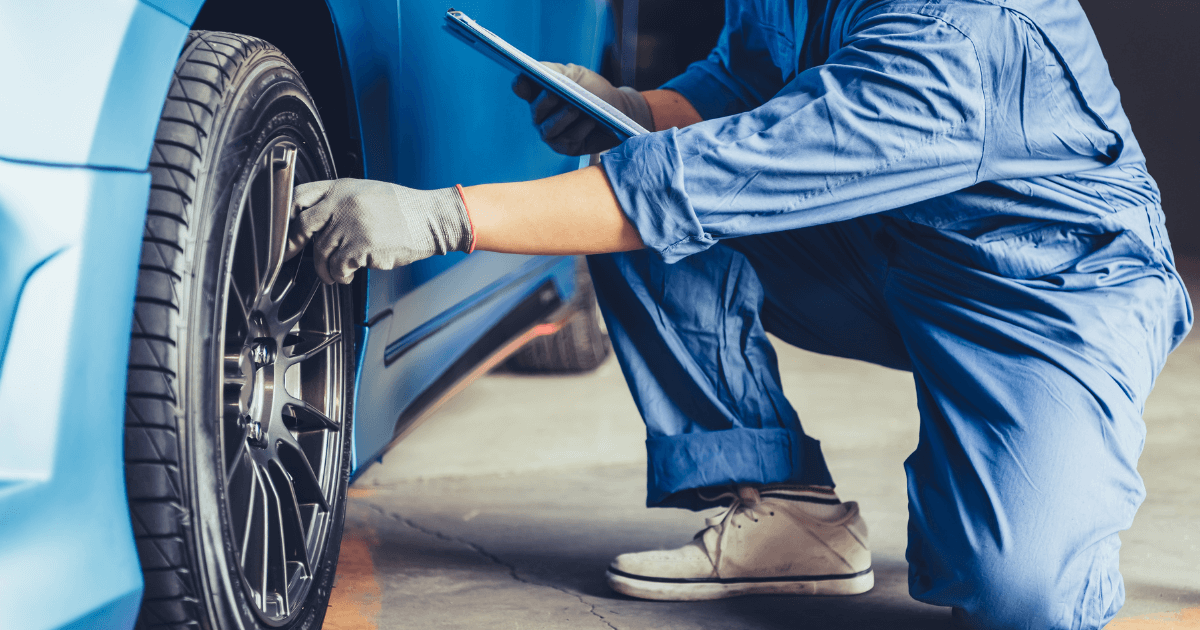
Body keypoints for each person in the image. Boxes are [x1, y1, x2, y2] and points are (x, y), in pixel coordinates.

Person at [285, 0, 1193, 627]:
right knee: (639, 173)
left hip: (1039, 293)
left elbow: (705, 181)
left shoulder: (962, 31)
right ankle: (785, 513)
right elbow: (743, 85)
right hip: (878, 246)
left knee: (1018, 596)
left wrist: (442, 218)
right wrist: (634, 108)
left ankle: (1058, 485)